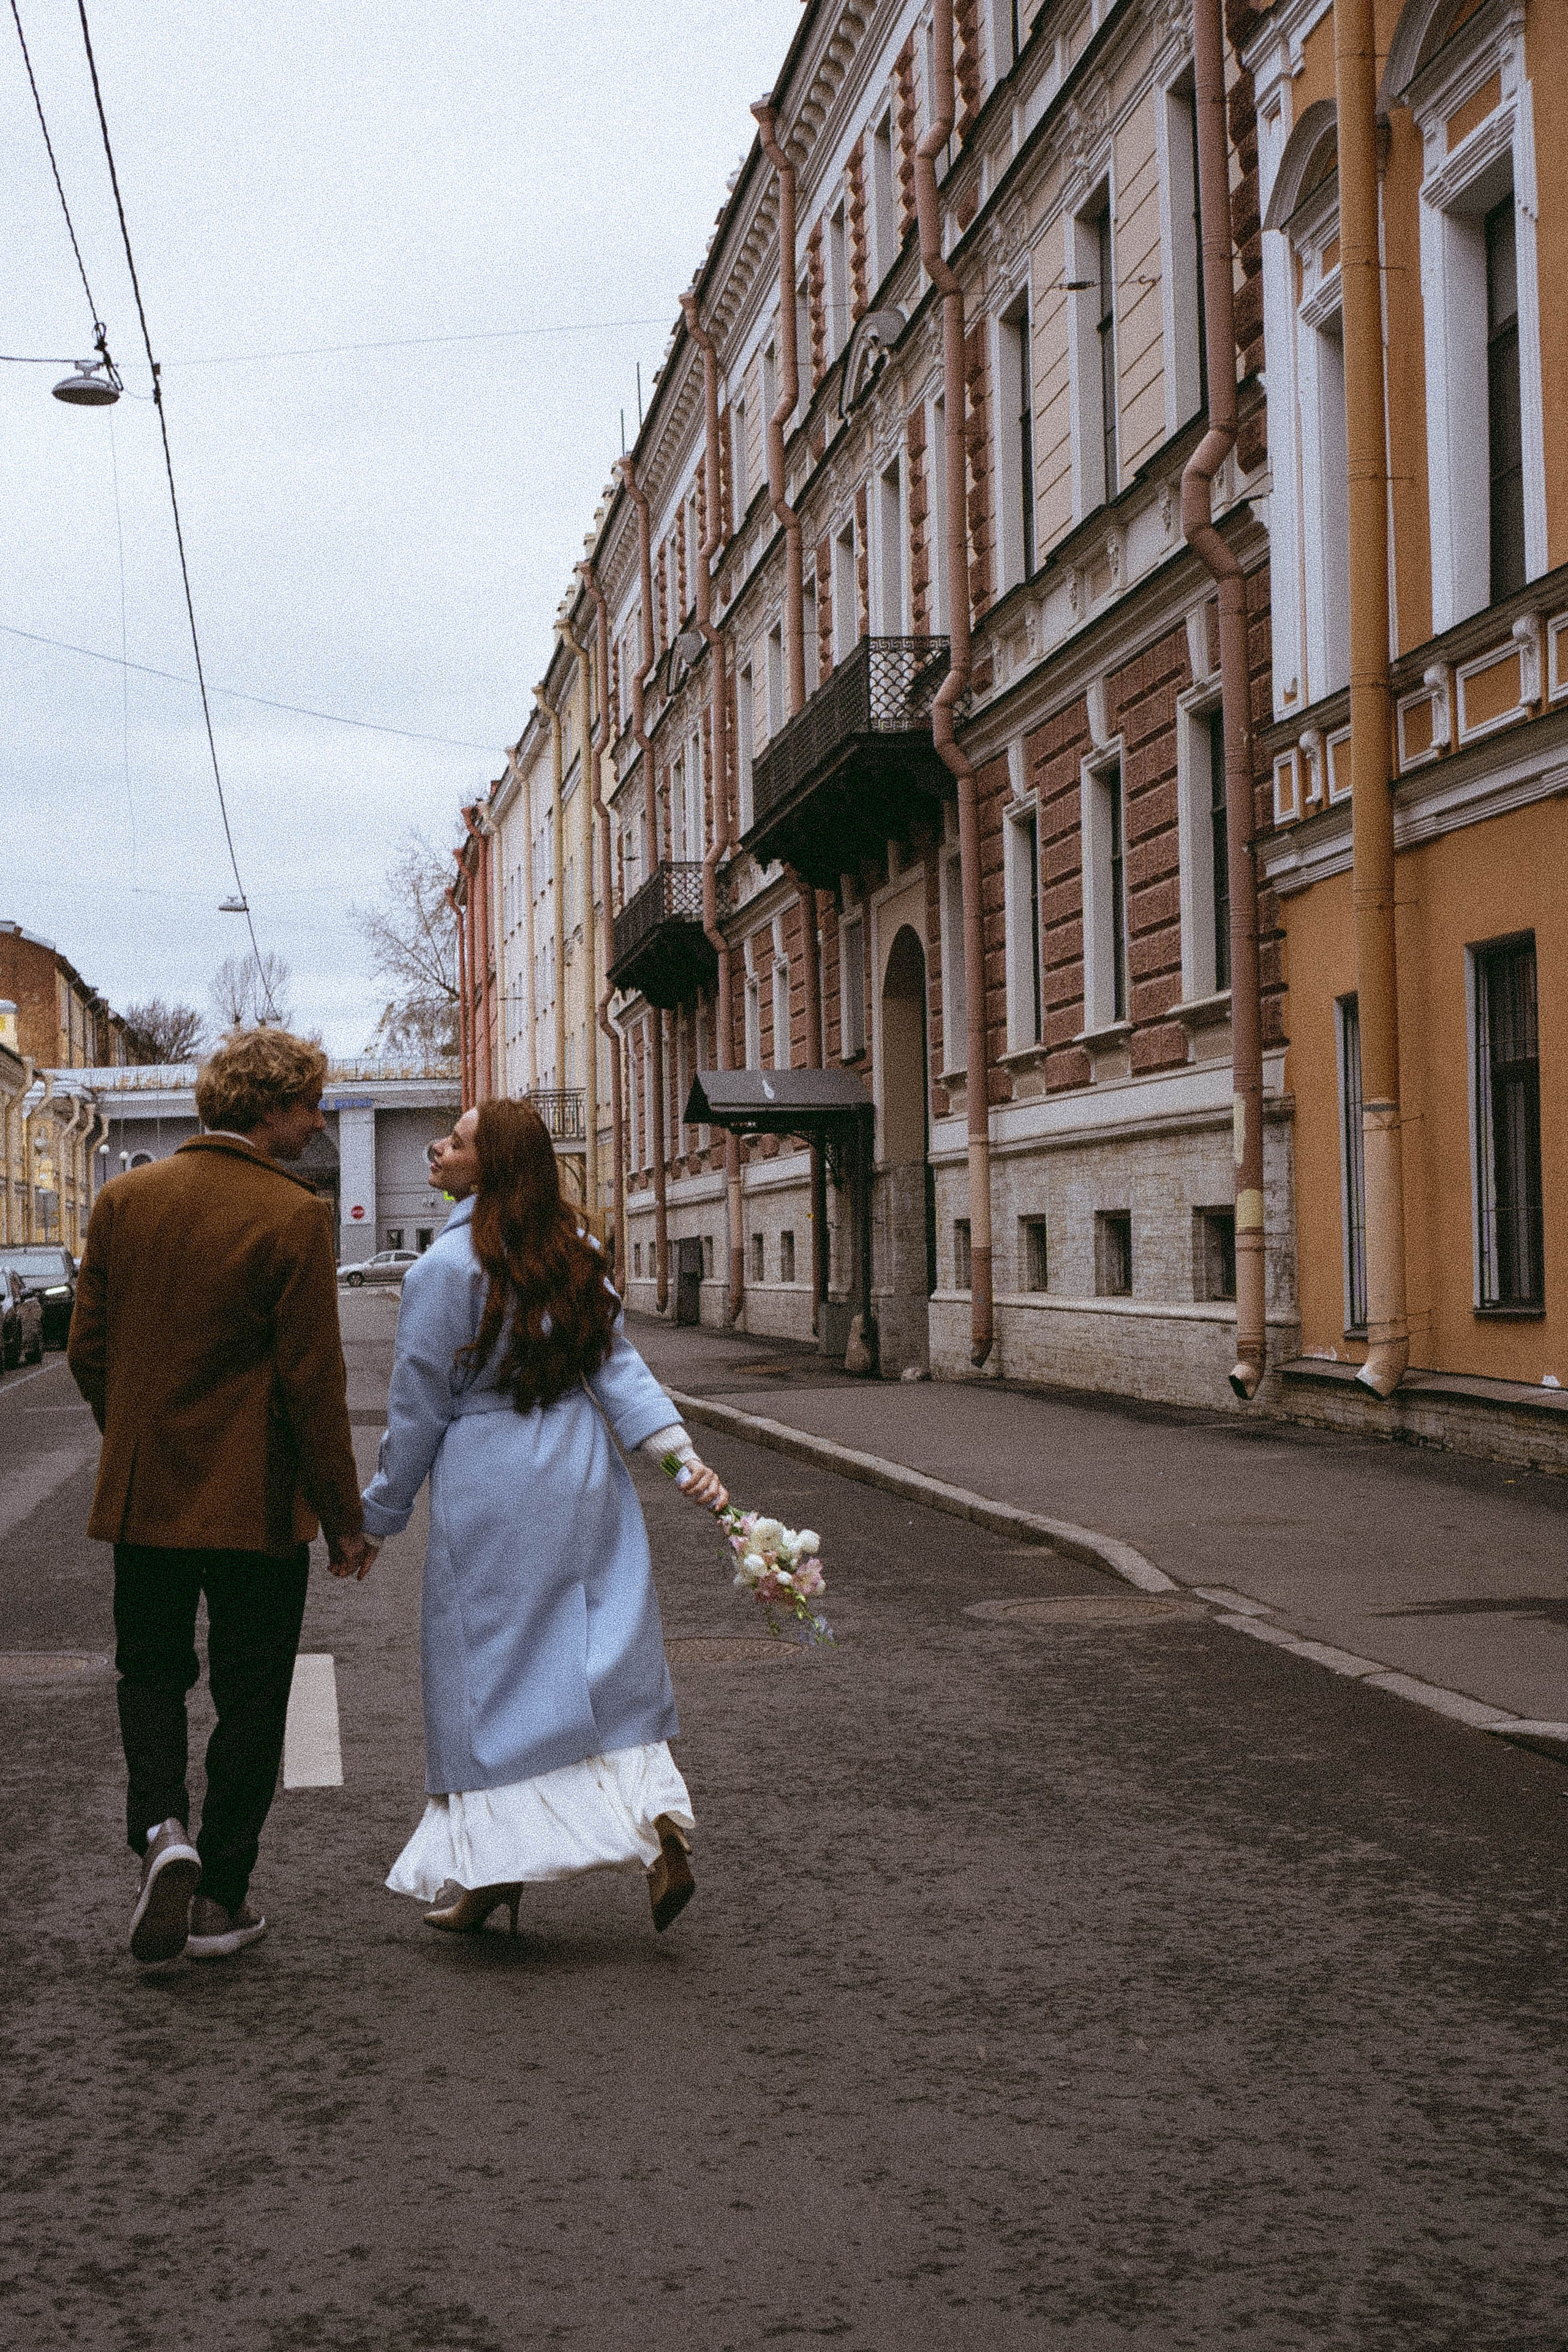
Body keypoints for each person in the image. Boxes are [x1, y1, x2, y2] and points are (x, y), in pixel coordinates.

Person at [351, 1097, 726, 1938]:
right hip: (583, 1467)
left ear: (491, 1167)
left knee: (484, 1677)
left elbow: (419, 1411)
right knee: (602, 1660)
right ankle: (657, 1825)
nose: (436, 1150)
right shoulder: (576, 1249)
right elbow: (617, 1365)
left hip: (491, 1479)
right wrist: (680, 1458)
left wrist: (378, 1518)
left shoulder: (444, 1272)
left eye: (456, 1141)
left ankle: (493, 1871)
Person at [68, 1028, 371, 1966]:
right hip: (258, 1507)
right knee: (253, 1697)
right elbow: (312, 1385)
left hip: (146, 1497)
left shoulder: (124, 1198)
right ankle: (220, 1899)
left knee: (150, 1673)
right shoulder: (292, 1216)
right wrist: (345, 1522)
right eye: (308, 1105)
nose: (316, 1122)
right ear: (270, 1108)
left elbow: (87, 1349)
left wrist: (137, 1435)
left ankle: (162, 1831)